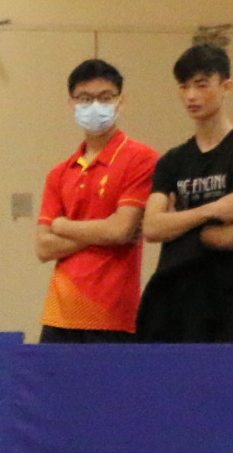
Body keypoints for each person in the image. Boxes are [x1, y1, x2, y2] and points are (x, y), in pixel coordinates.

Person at [137, 45, 233, 343]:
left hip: (230, 303)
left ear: (226, 87)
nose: (191, 96)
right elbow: (153, 227)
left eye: (201, 84)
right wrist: (213, 210)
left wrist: (178, 226)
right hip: (176, 299)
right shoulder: (172, 161)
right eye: (184, 86)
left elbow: (232, 237)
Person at [35, 59, 156, 343]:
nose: (95, 107)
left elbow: (121, 230)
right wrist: (103, 232)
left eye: (105, 98)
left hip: (112, 313)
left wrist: (63, 225)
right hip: (59, 314)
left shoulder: (141, 158)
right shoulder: (59, 173)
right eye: (85, 99)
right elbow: (43, 246)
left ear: (120, 102)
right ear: (72, 103)